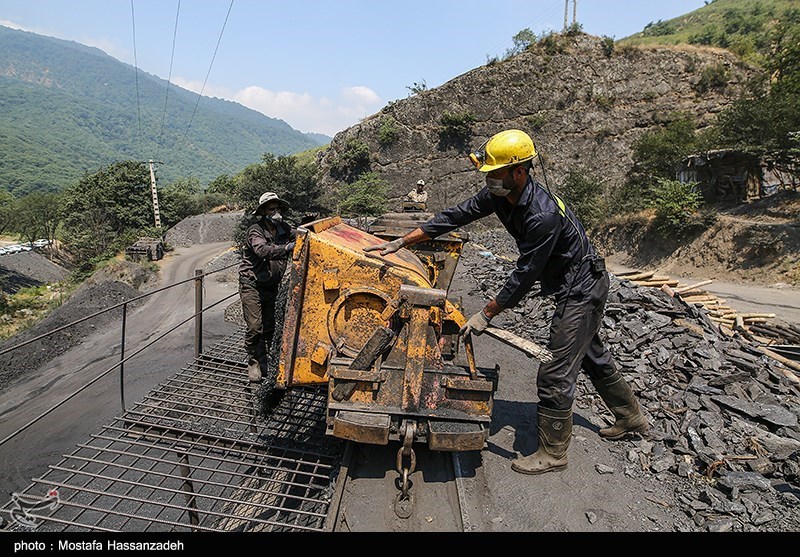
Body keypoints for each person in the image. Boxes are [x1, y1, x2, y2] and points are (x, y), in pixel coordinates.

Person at [364, 129, 648, 475]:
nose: (490, 181)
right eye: (488, 174)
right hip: (570, 283)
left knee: (556, 371)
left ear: (519, 171)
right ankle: (630, 416)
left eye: (495, 174)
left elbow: (526, 274)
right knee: (590, 353)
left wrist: (486, 313)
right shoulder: (500, 196)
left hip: (583, 287)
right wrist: (402, 243)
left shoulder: (541, 215)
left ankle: (554, 453)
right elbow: (454, 216)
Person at [239, 192, 296, 382]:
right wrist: (286, 248)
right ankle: (254, 362)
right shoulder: (255, 231)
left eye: (278, 208)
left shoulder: (283, 228)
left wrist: (307, 226)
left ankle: (269, 362)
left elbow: (300, 235)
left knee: (270, 326)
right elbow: (262, 250)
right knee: (255, 327)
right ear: (263, 211)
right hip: (252, 284)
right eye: (272, 209)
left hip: (272, 284)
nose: (276, 212)